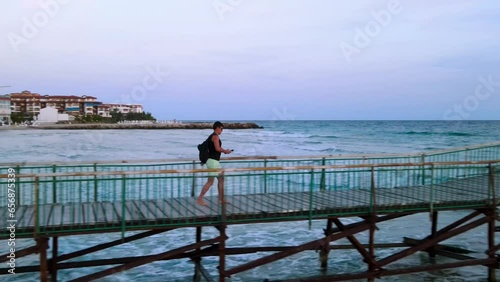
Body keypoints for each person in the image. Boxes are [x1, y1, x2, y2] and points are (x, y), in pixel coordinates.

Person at [197, 121, 232, 206]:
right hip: (213, 162)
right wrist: (225, 151)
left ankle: (221, 199)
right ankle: (199, 199)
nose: (222, 130)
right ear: (217, 127)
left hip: (213, 161)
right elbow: (217, 148)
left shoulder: (211, 136)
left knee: (221, 179)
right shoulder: (215, 137)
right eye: (221, 128)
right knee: (210, 182)